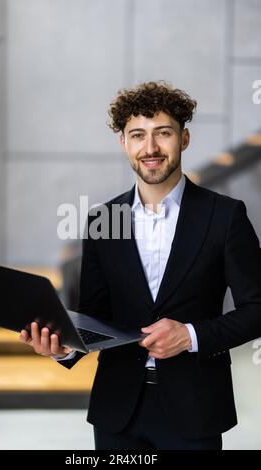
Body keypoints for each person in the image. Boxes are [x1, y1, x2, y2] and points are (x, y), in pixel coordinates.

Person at [20, 81, 261, 450]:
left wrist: (191, 335)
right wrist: (63, 347)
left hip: (195, 411)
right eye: (137, 135)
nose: (150, 148)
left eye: (163, 133)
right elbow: (95, 316)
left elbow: (257, 309)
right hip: (118, 413)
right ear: (124, 143)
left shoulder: (226, 216)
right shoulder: (103, 220)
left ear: (184, 138)